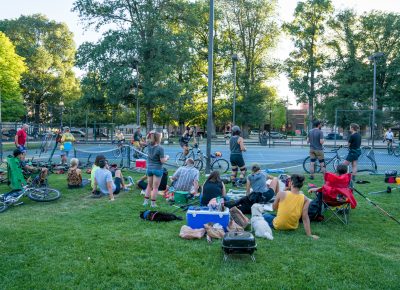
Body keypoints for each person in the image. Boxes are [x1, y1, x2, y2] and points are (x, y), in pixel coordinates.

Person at [263, 174, 319, 240]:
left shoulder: (281, 193)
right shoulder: (305, 199)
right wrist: (309, 234)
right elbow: (305, 217)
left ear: (291, 183)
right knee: (273, 215)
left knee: (265, 215)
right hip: (293, 226)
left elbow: (273, 208)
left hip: (278, 225)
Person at [143, 131, 169, 207]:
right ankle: (153, 204)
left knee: (149, 186)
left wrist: (150, 134)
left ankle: (145, 202)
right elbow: (162, 161)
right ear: (159, 138)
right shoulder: (160, 148)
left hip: (149, 169)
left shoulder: (149, 145)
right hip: (157, 169)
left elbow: (146, 138)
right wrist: (167, 157)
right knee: (155, 188)